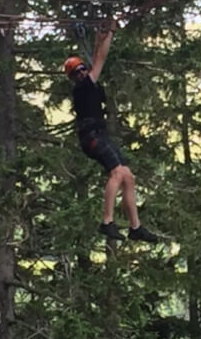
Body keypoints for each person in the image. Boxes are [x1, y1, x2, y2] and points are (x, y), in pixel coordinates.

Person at [64, 21, 159, 242]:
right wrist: (110, 36)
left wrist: (101, 36)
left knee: (128, 176)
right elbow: (99, 60)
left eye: (81, 70)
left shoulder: (88, 84)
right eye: (76, 73)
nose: (80, 73)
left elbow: (95, 58)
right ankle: (107, 221)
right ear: (74, 77)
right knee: (117, 173)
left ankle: (135, 226)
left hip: (97, 135)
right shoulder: (84, 86)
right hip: (92, 137)